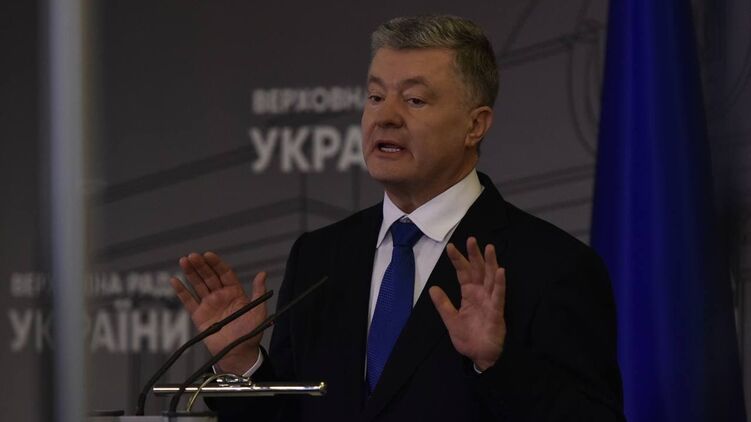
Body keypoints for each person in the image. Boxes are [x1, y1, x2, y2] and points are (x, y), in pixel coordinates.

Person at [170, 15, 625, 421]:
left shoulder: (552, 266)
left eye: (415, 100)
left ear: (475, 125)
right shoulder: (320, 257)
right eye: (375, 96)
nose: (385, 117)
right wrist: (242, 364)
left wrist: (494, 364)